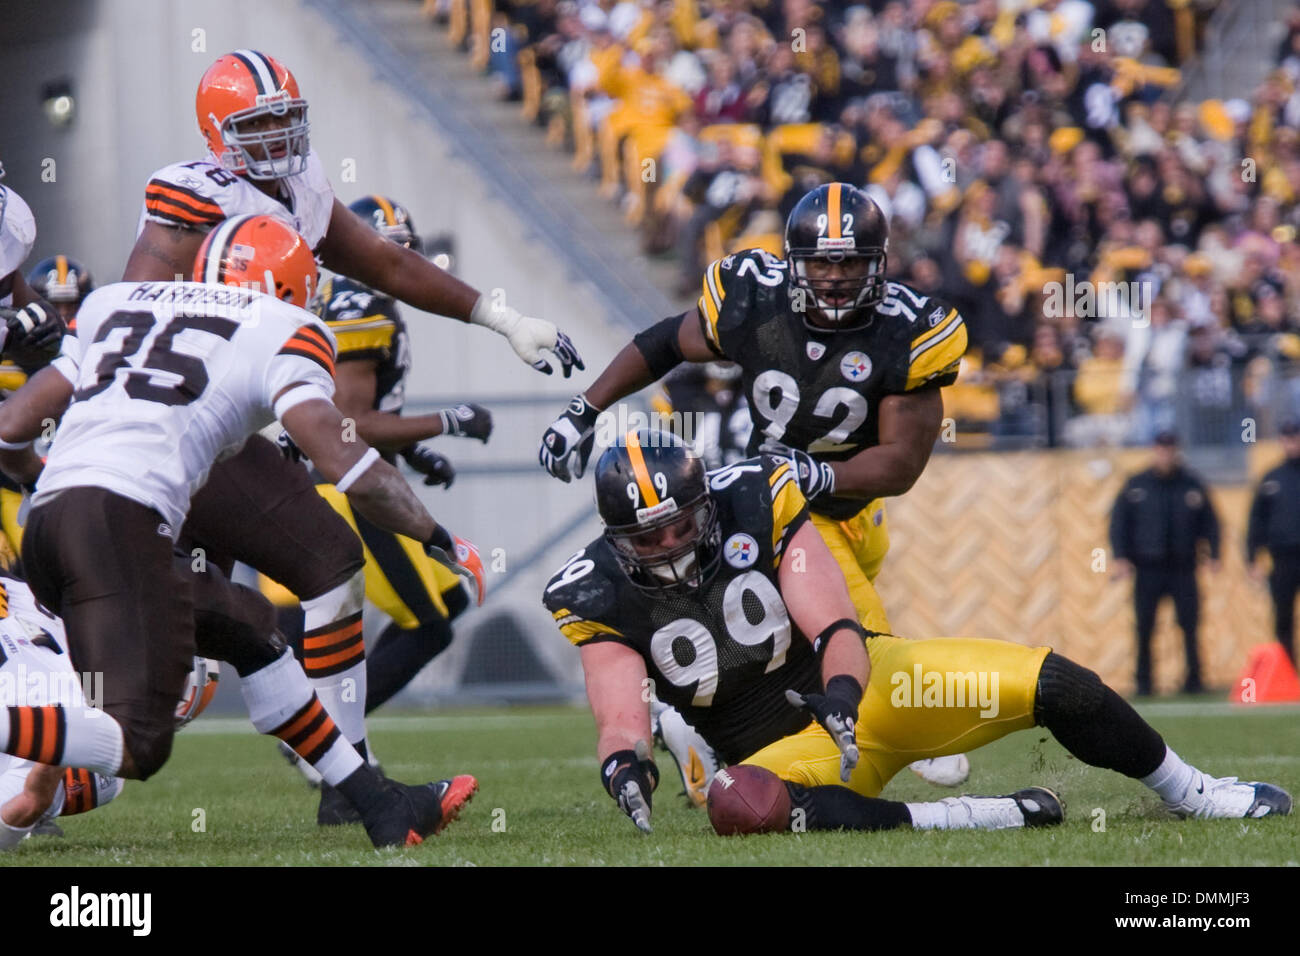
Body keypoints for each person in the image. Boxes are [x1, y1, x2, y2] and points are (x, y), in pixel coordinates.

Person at [113, 50, 580, 821]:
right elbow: (135, 314)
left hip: (232, 436)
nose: (276, 140)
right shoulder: (187, 200)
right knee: (160, 679)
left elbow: (388, 264)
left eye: (284, 121)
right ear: (216, 136)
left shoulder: (301, 186)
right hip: (178, 434)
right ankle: (36, 769)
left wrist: (503, 320)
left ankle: (350, 784)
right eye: (256, 126)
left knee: (328, 566)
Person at [0, 215, 483, 846]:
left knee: (254, 634)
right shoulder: (279, 326)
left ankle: (378, 807)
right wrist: (434, 534)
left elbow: (12, 424)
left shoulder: (113, 304)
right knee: (138, 745)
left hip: (49, 521)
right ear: (290, 290)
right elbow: (348, 464)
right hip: (116, 523)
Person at [544, 432, 1290, 835]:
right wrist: (623, 767)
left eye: (681, 524)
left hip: (876, 685)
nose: (672, 543)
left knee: (1058, 684)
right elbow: (616, 712)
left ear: (706, 505)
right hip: (784, 745)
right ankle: (986, 815)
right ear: (616, 541)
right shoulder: (595, 589)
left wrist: (841, 689)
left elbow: (832, 617)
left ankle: (1193, 792)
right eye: (649, 538)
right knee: (741, 805)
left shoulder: (754, 498)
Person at [539, 182, 972, 795]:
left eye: (850, 261)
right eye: (822, 260)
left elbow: (902, 465)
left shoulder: (909, 331)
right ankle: (907, 730)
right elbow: (665, 342)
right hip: (777, 504)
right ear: (795, 263)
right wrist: (584, 408)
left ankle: (695, 735)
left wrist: (825, 473)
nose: (836, 276)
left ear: (878, 263)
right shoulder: (754, 296)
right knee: (856, 630)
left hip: (857, 508)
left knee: (795, 648)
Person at [1109, 430, 1221, 695]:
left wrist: (1214, 554)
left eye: (1170, 448)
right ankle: (1144, 682)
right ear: (1154, 450)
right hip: (1147, 568)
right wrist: (1120, 557)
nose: (1166, 454)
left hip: (1183, 567)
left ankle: (1194, 680)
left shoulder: (1191, 484)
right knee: (1145, 625)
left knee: (1190, 624)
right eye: (1161, 448)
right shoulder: (1137, 485)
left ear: (1176, 451)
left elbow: (1211, 523)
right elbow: (1119, 524)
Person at [1247, 419, 1300, 665]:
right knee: (1282, 617)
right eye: (1288, 438)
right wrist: (1252, 558)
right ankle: (1287, 672)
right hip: (1283, 558)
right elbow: (1256, 521)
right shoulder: (1272, 479)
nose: (1293, 443)